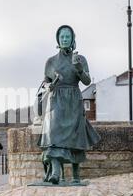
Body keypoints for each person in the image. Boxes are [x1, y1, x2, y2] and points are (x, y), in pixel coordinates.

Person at [37, 25, 101, 185]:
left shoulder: (80, 59)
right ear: (58, 40)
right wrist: (49, 86)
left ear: (73, 39)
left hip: (73, 100)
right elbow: (46, 82)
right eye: (62, 37)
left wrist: (79, 68)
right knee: (53, 134)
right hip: (56, 100)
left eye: (67, 37)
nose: (64, 39)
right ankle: (57, 170)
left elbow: (86, 81)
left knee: (75, 136)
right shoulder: (51, 61)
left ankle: (75, 175)